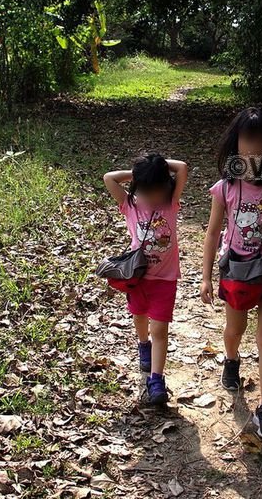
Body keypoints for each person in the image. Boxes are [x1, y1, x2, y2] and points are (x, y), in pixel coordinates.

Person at [200, 107, 262, 439]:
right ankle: (231, 359)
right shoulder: (225, 187)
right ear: (237, 142)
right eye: (247, 139)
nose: (253, 147)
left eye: (259, 140)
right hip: (237, 270)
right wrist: (205, 276)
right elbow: (213, 233)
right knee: (235, 329)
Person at [103, 154, 188, 404]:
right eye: (147, 191)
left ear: (167, 187)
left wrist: (157, 168)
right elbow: (109, 178)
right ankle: (143, 345)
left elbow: (181, 167)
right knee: (139, 316)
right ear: (137, 188)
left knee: (160, 328)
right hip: (137, 277)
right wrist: (139, 175)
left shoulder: (170, 204)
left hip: (165, 279)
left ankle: (157, 379)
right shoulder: (130, 205)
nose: (152, 197)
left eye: (157, 190)